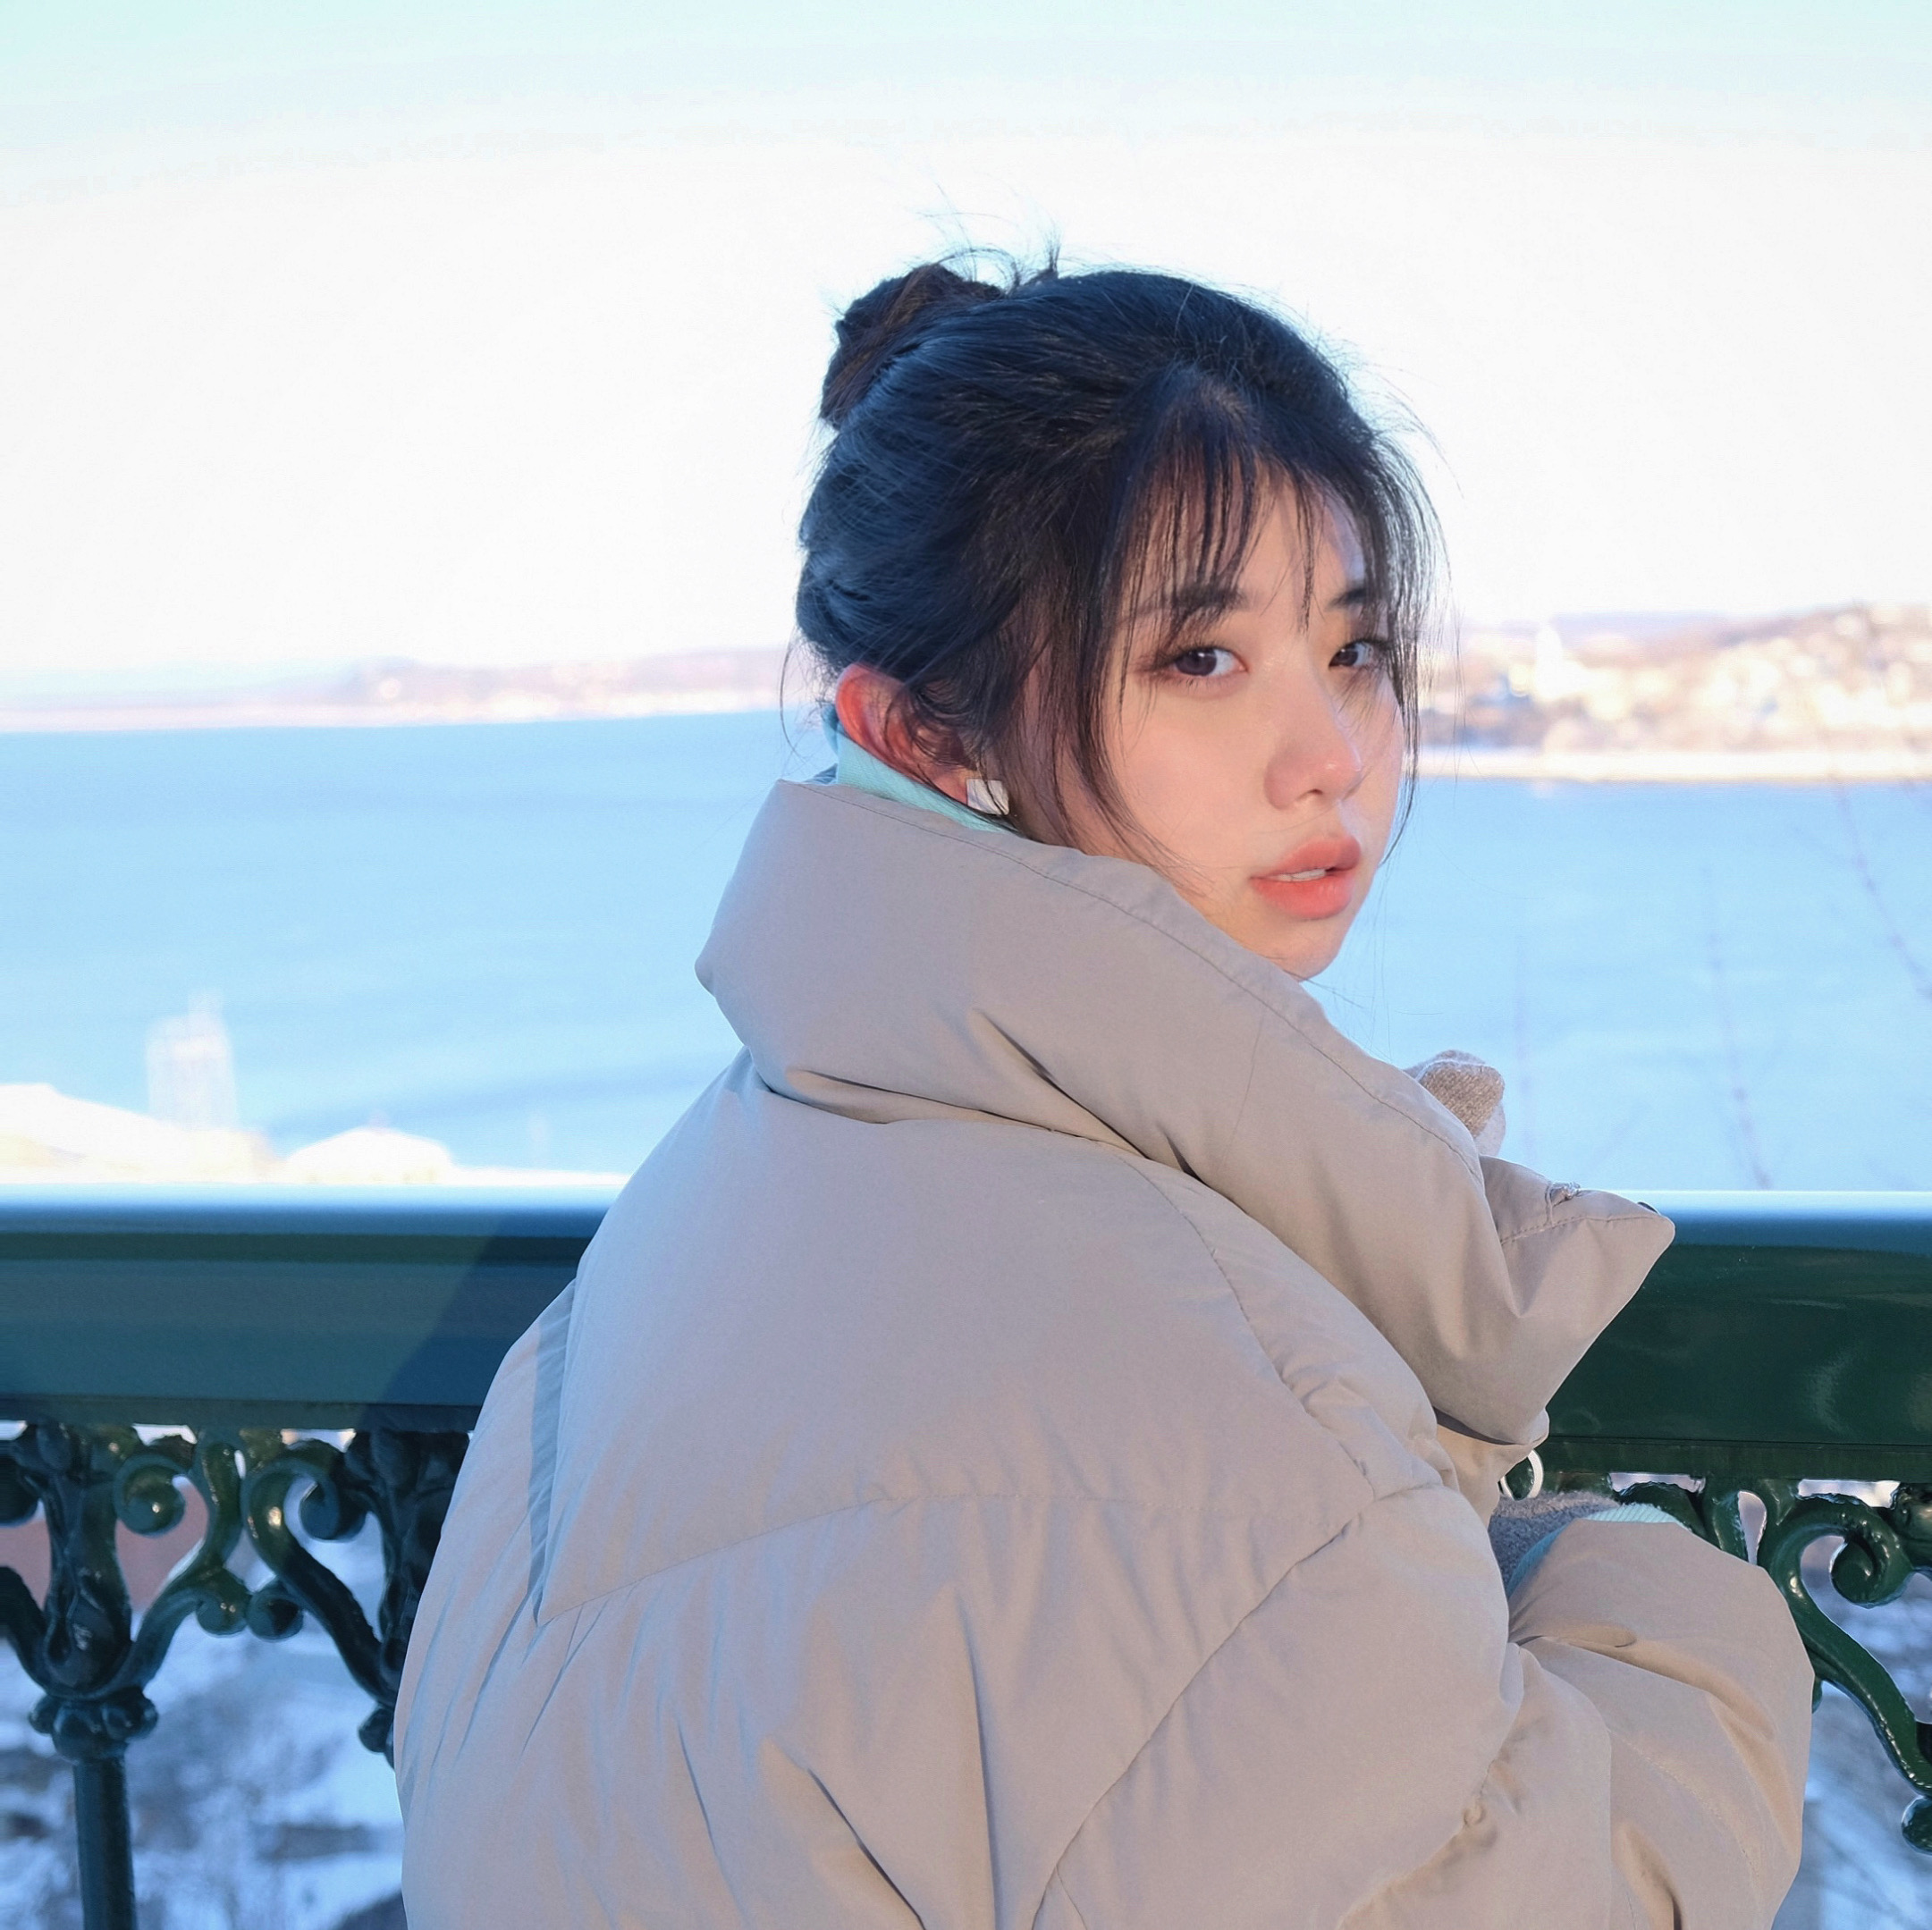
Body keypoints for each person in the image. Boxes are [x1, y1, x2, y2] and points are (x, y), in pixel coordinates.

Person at [395, 259, 1811, 1927]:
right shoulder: (1230, 1409)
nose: (1330, 753)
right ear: (924, 737)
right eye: (1200, 660)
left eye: (1353, 647)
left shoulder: (717, 1187)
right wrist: (1659, 1606)